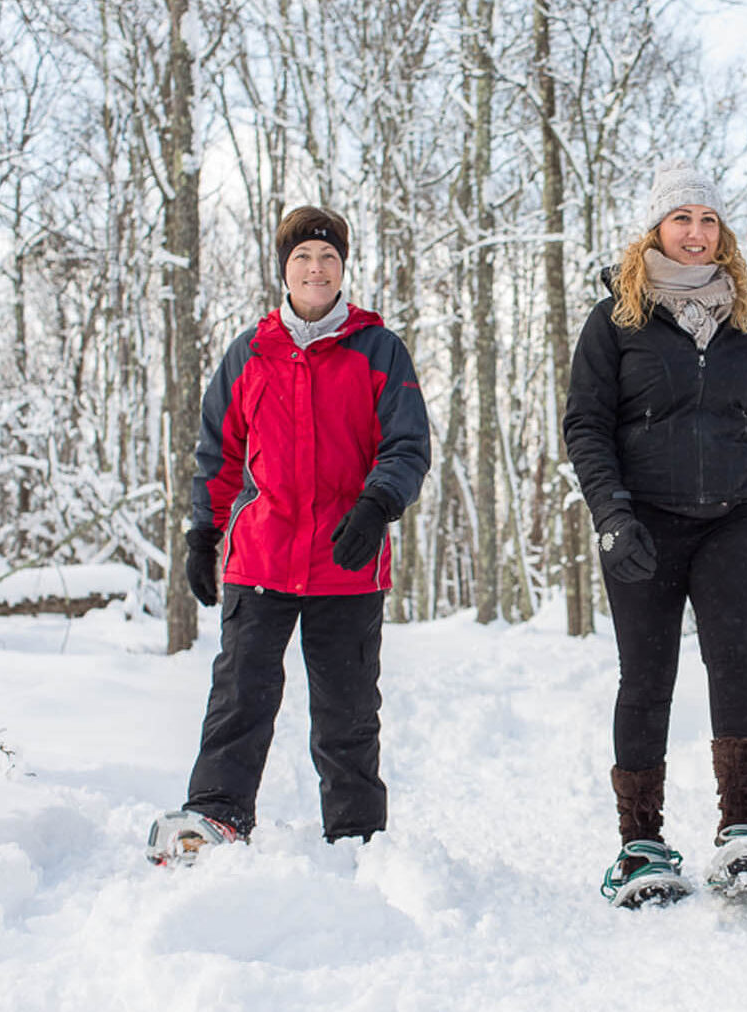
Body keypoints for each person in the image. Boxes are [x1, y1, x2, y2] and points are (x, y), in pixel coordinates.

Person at [146, 206, 432, 866]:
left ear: (343, 269)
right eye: (303, 256)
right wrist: (202, 533)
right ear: (284, 268)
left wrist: (376, 505)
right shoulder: (251, 352)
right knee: (240, 697)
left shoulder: (377, 349)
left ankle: (356, 837)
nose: (316, 268)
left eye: (328, 258)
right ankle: (216, 816)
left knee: (348, 714)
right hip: (263, 558)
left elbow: (407, 445)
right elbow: (217, 453)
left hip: (347, 560)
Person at [563, 161, 747, 906]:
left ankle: (744, 832)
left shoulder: (743, 322)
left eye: (708, 221)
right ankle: (641, 842)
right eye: (681, 219)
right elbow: (586, 426)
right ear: (655, 229)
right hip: (644, 524)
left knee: (735, 661)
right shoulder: (616, 321)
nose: (696, 234)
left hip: (732, 519)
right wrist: (612, 513)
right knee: (647, 677)